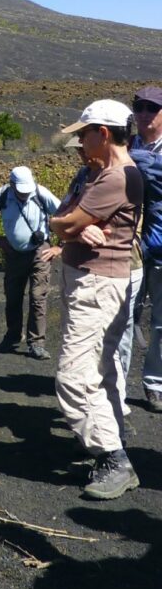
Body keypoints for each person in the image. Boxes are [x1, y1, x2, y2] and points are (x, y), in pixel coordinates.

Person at [50, 100, 142, 500]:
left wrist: (66, 227)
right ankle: (107, 443)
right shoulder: (100, 173)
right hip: (90, 280)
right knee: (100, 371)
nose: (80, 142)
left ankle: (113, 458)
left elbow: (63, 220)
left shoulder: (116, 178)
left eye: (84, 134)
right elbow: (67, 214)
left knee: (73, 378)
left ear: (102, 133)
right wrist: (71, 225)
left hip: (98, 285)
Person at [0, 166, 60, 360]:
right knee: (13, 295)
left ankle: (37, 343)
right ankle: (13, 337)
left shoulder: (41, 194)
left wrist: (60, 246)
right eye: (21, 191)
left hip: (40, 252)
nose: (25, 194)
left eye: (27, 190)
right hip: (14, 253)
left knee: (37, 296)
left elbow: (64, 215)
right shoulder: (1, 196)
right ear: (12, 185)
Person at [128, 86, 162, 413]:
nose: (144, 113)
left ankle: (154, 385)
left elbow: (155, 170)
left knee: (161, 324)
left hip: (160, 247)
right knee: (122, 319)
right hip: (133, 249)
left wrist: (119, 155)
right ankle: (114, 387)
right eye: (139, 106)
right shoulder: (131, 144)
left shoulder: (128, 150)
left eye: (152, 108)